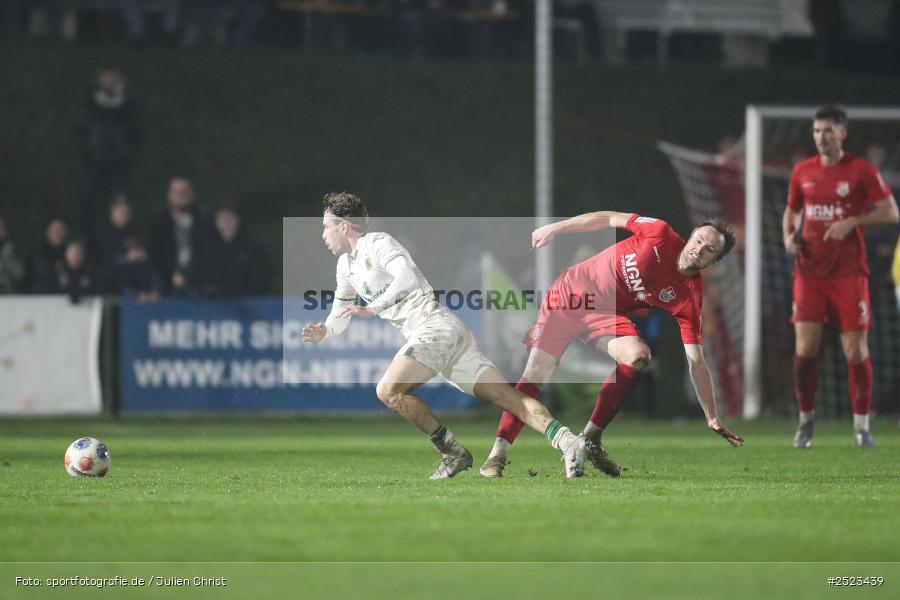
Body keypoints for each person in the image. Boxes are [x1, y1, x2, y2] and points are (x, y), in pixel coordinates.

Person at [302, 192, 586, 479]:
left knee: (388, 391)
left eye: (326, 226)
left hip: (434, 327)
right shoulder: (345, 266)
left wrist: (373, 308)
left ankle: (453, 453)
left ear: (344, 226)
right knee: (507, 397)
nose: (323, 233)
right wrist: (326, 331)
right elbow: (341, 312)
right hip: (443, 334)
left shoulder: (377, 242)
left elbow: (406, 279)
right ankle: (569, 442)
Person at [479, 211, 744, 479]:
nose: (700, 249)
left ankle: (590, 438)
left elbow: (696, 361)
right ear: (692, 234)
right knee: (535, 375)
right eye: (699, 240)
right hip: (570, 296)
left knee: (639, 356)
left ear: (715, 260)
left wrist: (712, 417)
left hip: (605, 315)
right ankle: (497, 454)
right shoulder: (659, 233)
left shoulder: (689, 297)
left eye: (710, 249)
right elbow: (607, 218)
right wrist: (555, 228)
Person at [782, 105, 899, 449]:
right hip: (809, 273)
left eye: (828, 131)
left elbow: (891, 211)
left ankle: (862, 427)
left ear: (842, 134)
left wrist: (854, 222)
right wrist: (789, 237)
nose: (821, 137)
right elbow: (791, 212)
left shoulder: (861, 170)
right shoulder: (802, 171)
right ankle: (805, 424)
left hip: (849, 274)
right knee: (805, 350)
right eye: (817, 131)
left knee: (855, 350)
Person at [74, 69, 142, 250]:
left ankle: (121, 240)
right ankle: (85, 238)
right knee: (87, 199)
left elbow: (135, 133)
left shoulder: (127, 105)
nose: (110, 81)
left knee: (118, 202)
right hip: (94, 161)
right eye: (106, 77)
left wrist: (127, 153)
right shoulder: (90, 103)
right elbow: (81, 130)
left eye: (114, 77)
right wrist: (87, 152)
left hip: (119, 164)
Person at [146, 176, 217, 296]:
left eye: (184, 192)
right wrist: (171, 274)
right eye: (175, 192)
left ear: (192, 194)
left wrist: (188, 275)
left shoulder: (205, 218)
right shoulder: (158, 220)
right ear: (169, 194)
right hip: (164, 281)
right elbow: (153, 254)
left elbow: (209, 253)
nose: (180, 196)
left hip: (198, 281)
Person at [0, 214, 26, 293]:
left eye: (1, 227)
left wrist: (7, 260)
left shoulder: (14, 249)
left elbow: (20, 274)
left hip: (9, 297)